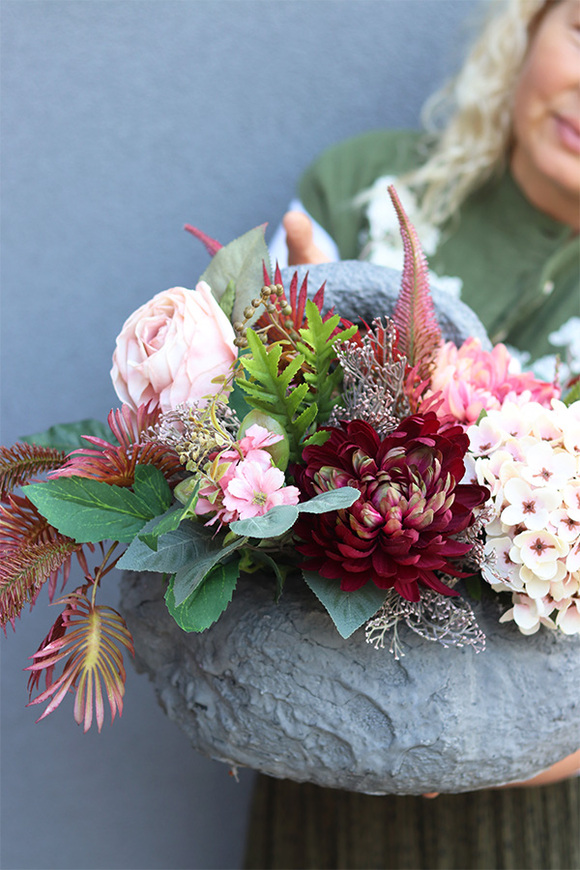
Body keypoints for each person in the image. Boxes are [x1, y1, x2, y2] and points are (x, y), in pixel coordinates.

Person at [245, 1, 580, 867]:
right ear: (529, 27)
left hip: (535, 800)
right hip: (313, 756)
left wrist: (509, 750)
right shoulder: (362, 193)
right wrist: (294, 384)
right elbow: (214, 454)